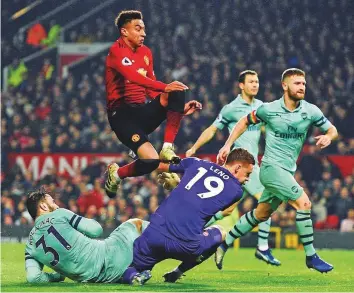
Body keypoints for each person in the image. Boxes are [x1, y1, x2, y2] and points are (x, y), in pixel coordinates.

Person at [216, 68, 338, 273]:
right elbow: (244, 121)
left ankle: (224, 244)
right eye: (297, 83)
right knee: (304, 203)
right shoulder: (269, 109)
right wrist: (228, 144)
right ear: (285, 85)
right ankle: (311, 256)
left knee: (260, 214)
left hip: (287, 172)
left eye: (304, 84)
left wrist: (328, 137)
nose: (302, 87)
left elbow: (332, 129)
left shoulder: (311, 111)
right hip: (271, 168)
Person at [186, 70, 280, 265]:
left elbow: (269, 129)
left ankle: (192, 234)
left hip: (251, 166)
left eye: (257, 81)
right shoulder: (231, 109)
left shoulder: (261, 107)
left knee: (226, 210)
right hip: (240, 165)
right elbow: (213, 129)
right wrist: (194, 147)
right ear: (241, 85)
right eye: (251, 82)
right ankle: (262, 248)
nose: (255, 85)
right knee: (267, 199)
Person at [104, 10, 201, 198]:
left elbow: (151, 89)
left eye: (144, 29)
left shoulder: (146, 52)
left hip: (142, 111)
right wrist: (166, 87)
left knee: (176, 91)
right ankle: (116, 174)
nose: (143, 34)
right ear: (124, 32)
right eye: (138, 29)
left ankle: (167, 147)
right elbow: (134, 77)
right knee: (150, 162)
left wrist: (177, 108)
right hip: (122, 117)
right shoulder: (116, 51)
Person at [123, 148, 255, 284]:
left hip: (155, 236)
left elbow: (158, 166)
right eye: (247, 174)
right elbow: (203, 201)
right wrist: (180, 184)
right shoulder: (236, 191)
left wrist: (143, 153)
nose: (247, 179)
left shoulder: (195, 163)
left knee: (131, 268)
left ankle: (134, 276)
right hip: (186, 246)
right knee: (220, 233)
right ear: (238, 167)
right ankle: (177, 273)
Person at [24, 187, 151, 284]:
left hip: (95, 279)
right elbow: (96, 230)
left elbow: (33, 277)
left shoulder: (30, 245)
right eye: (52, 201)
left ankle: (132, 276)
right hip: (108, 256)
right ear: (43, 206)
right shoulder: (59, 214)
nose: (56, 204)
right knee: (134, 224)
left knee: (125, 268)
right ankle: (168, 235)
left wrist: (57, 276)